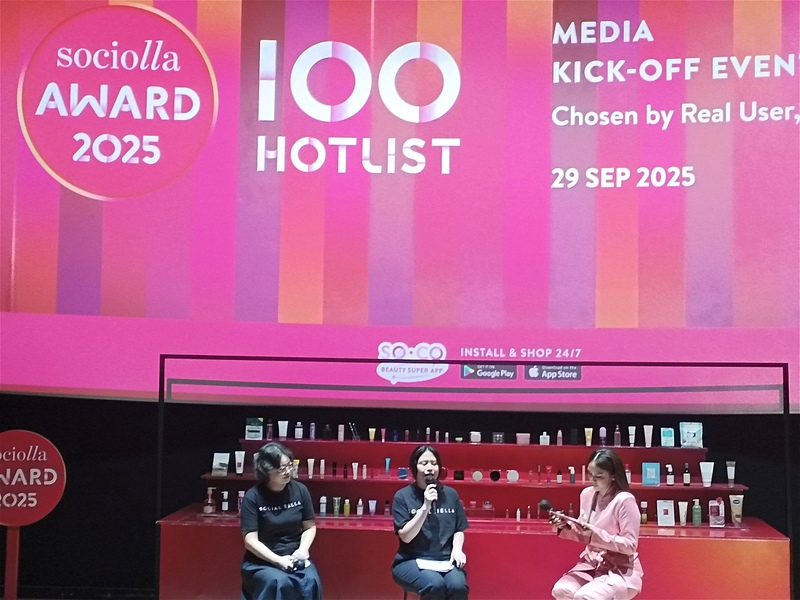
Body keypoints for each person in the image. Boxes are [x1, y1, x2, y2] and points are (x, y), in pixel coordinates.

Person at [550, 448, 643, 600]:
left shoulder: (625, 500)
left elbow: (630, 545)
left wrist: (595, 534)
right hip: (591, 564)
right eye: (590, 474)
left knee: (585, 597)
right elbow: (583, 534)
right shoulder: (587, 494)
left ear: (613, 475)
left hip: (619, 568)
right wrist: (565, 526)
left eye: (599, 476)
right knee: (561, 590)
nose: (593, 480)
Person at [240, 442, 322, 600]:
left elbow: (309, 527)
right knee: (278, 582)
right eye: (281, 468)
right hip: (262, 561)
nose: (287, 471)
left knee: (311, 580)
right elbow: (250, 540)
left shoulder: (300, 490)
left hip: (294, 556)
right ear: (266, 471)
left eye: (289, 466)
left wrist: (303, 550)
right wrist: (278, 560)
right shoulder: (253, 497)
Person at [391, 444, 469, 600]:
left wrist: (457, 549)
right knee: (435, 585)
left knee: (458, 586)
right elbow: (406, 536)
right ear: (415, 467)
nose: (430, 468)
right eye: (424, 463)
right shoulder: (402, 496)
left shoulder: (451, 494)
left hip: (445, 561)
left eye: (434, 463)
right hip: (411, 560)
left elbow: (459, 529)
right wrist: (426, 506)